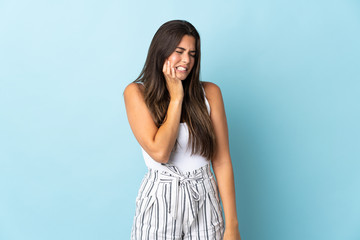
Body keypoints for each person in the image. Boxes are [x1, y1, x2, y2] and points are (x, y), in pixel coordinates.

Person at [124, 20, 241, 240]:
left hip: (204, 196)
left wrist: (232, 225)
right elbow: (160, 153)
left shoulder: (210, 93)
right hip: (160, 198)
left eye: (192, 53)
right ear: (161, 52)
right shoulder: (136, 93)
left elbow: (222, 160)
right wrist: (176, 97)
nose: (186, 60)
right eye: (179, 52)